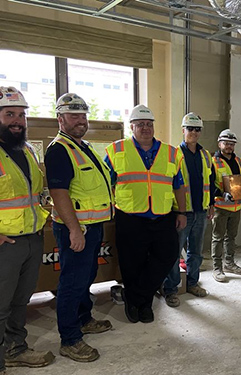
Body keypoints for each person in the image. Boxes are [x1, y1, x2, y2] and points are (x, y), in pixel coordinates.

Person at [45, 93, 114, 362]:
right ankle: (70, 339)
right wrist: (74, 230)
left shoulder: (82, 147)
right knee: (72, 283)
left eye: (83, 116)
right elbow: (59, 192)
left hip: (92, 226)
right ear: (60, 119)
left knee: (86, 278)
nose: (80, 121)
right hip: (77, 229)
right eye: (74, 116)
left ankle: (84, 319)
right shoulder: (59, 150)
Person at [105, 105, 186, 322]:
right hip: (129, 217)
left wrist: (182, 211)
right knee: (132, 263)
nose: (145, 128)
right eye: (140, 124)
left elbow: (179, 185)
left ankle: (134, 296)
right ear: (131, 126)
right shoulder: (116, 150)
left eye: (149, 124)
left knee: (168, 255)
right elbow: (104, 184)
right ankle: (141, 306)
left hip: (163, 216)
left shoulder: (171, 153)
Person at [0, 87, 55, 372]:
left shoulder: (28, 150)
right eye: (10, 114)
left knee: (21, 300)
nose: (17, 121)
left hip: (31, 238)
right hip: (4, 244)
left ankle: (16, 349)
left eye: (21, 114)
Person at [161, 112, 215, 307]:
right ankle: (171, 289)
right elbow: (169, 184)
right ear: (183, 130)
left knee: (196, 251)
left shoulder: (205, 155)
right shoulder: (174, 155)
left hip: (201, 211)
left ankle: (192, 283)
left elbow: (211, 181)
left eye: (197, 129)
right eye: (190, 129)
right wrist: (175, 212)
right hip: (181, 213)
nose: (193, 132)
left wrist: (211, 205)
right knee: (174, 252)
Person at [211, 129, 241, 282]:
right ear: (219, 144)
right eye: (226, 143)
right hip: (220, 207)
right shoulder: (213, 161)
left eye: (231, 144)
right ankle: (217, 268)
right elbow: (210, 184)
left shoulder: (238, 161)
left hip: (236, 207)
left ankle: (229, 263)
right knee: (218, 238)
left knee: (231, 237)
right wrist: (220, 193)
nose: (229, 146)